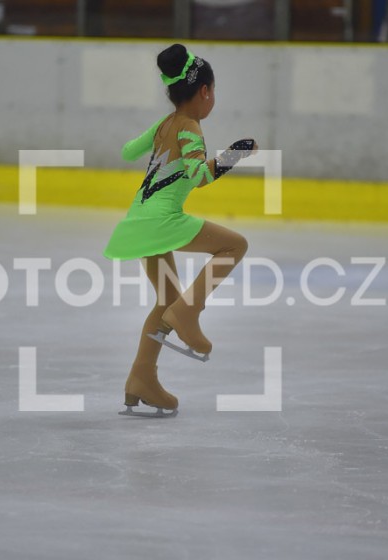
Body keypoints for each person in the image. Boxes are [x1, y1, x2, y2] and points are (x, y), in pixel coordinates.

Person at [103, 44, 257, 417]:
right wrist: (233, 155)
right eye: (214, 91)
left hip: (138, 220)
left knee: (165, 300)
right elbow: (198, 176)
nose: (213, 98)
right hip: (163, 219)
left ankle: (141, 379)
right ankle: (189, 312)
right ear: (204, 91)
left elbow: (128, 151)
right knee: (234, 246)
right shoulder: (190, 128)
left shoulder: (165, 124)